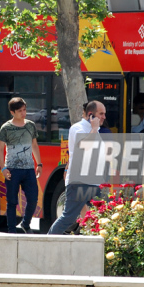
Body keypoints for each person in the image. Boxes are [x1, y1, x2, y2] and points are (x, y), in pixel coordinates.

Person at [47, 100, 104, 235]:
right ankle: (47, 242)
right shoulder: (78, 128)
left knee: (96, 216)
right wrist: (94, 130)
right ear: (91, 115)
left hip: (93, 181)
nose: (104, 117)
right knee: (68, 217)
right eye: (101, 113)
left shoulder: (94, 130)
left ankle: (92, 244)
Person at [0, 97, 43, 234]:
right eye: (20, 111)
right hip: (12, 169)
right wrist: (3, 168)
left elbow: (34, 145)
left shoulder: (30, 125)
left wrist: (39, 164)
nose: (24, 113)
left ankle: (25, 224)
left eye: (24, 110)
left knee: (33, 199)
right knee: (12, 202)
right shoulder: (6, 128)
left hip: (29, 169)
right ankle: (12, 231)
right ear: (12, 112)